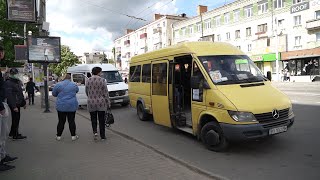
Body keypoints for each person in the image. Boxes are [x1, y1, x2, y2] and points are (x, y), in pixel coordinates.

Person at [0, 46, 17, 171]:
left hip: (2, 103)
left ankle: (2, 155)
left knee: (3, 134)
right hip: (0, 105)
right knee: (1, 134)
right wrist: (1, 107)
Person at [86, 67, 110, 141]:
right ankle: (102, 136)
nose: (101, 73)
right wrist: (108, 102)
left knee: (93, 119)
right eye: (101, 72)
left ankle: (95, 132)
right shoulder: (102, 80)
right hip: (101, 103)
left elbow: (86, 91)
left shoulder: (88, 80)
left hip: (91, 102)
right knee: (101, 120)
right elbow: (105, 93)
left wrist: (90, 97)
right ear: (98, 72)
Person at [52, 74, 79, 141]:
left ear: (63, 78)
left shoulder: (58, 85)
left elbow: (54, 94)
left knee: (61, 121)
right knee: (71, 121)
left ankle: (58, 136)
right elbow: (76, 91)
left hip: (61, 106)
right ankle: (73, 136)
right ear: (70, 78)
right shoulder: (74, 85)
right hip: (71, 105)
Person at [5, 68, 27, 140]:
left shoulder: (17, 82)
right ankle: (15, 135)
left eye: (16, 73)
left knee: (16, 119)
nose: (16, 75)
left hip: (18, 103)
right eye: (14, 74)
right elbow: (9, 96)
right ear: (11, 74)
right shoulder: (9, 83)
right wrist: (14, 106)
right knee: (16, 119)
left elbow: (20, 93)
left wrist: (23, 103)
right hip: (14, 104)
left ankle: (12, 133)